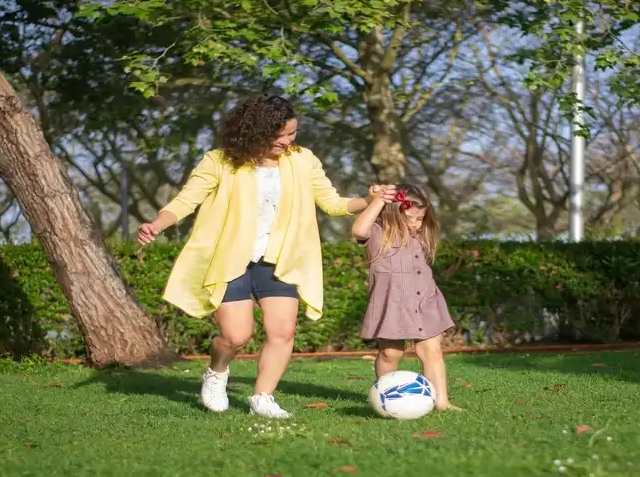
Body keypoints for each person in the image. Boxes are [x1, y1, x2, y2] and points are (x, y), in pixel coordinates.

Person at [137, 94, 395, 417]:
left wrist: (370, 199)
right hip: (230, 259)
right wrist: (157, 224)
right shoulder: (220, 161)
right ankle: (217, 371)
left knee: (282, 332)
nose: (288, 141)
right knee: (236, 335)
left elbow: (332, 202)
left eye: (292, 133)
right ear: (256, 131)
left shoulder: (302, 160)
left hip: (279, 259)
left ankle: (262, 397)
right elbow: (186, 200)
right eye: (281, 135)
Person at [351, 183, 461, 411]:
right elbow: (358, 230)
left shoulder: (420, 235)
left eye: (420, 219)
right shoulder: (378, 233)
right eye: (409, 218)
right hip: (393, 303)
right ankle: (386, 399)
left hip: (425, 299)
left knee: (431, 350)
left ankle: (442, 402)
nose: (415, 223)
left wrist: (419, 224)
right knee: (391, 353)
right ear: (392, 213)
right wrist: (380, 200)